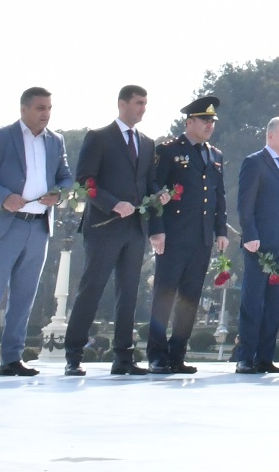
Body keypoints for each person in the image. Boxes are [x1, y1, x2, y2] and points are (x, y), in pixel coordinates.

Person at [0, 86, 72, 378]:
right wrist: (3, 197)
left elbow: (66, 177)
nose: (46, 114)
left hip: (38, 227)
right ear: (23, 109)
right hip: (3, 226)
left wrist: (58, 194)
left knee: (24, 297)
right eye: (40, 108)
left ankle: (12, 359)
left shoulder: (56, 141)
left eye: (49, 108)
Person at [63, 84, 157, 377]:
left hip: (135, 229)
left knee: (129, 293)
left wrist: (158, 198)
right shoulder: (99, 137)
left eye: (146, 103)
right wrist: (113, 204)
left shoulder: (147, 143)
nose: (143, 108)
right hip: (103, 227)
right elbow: (84, 181)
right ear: (122, 104)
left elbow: (148, 183)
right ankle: (74, 355)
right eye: (139, 102)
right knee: (92, 289)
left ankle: (123, 357)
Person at [146, 95, 228, 374]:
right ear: (189, 121)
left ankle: (177, 353)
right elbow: (155, 191)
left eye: (212, 121)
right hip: (174, 235)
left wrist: (220, 230)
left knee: (190, 298)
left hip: (202, 237)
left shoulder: (215, 155)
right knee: (165, 295)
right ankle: (157, 355)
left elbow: (218, 196)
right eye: (204, 120)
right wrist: (156, 230)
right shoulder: (169, 151)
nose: (209, 125)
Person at [235, 116, 279, 374]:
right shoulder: (255, 163)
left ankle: (265, 357)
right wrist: (250, 234)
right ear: (270, 136)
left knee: (276, 304)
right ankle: (245, 357)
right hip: (259, 245)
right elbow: (245, 204)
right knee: (253, 301)